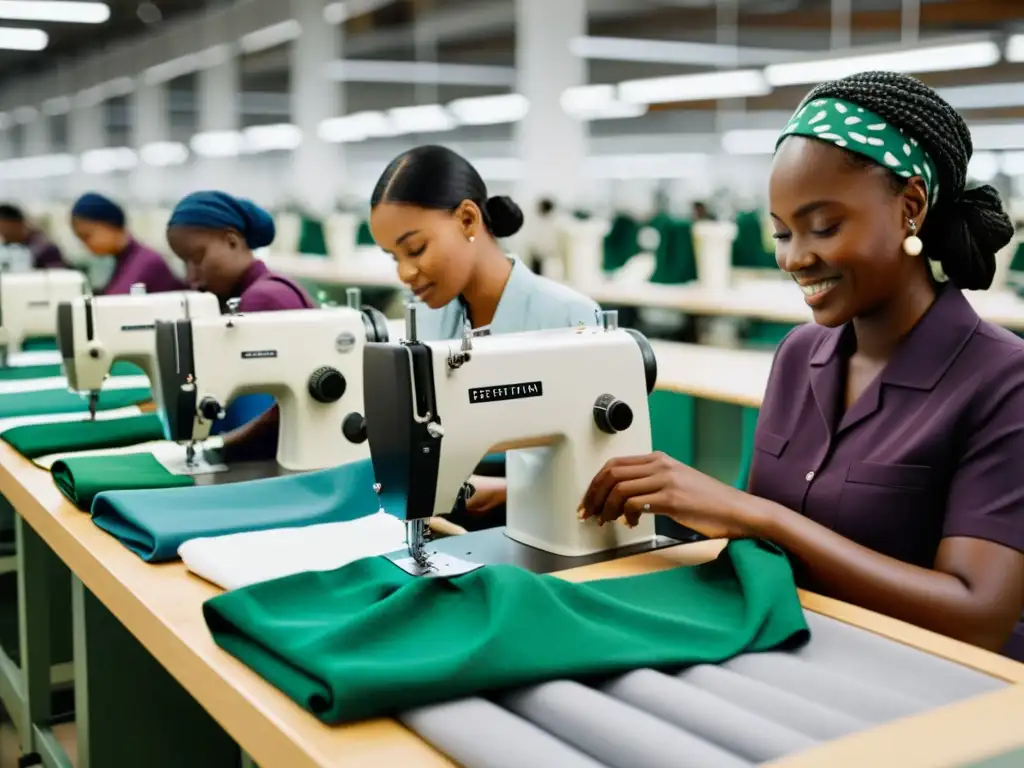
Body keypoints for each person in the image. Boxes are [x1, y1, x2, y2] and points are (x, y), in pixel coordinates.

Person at [580, 71, 1024, 662]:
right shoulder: (799, 354)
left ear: (910, 208)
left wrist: (761, 516)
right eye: (782, 232)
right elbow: (749, 536)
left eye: (824, 227)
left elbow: (977, 619)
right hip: (796, 652)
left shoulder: (1002, 381)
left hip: (939, 687)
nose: (794, 257)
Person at [370, 145, 600, 528]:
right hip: (463, 519)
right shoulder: (431, 316)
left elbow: (599, 469)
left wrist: (508, 491)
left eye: (415, 249)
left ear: (467, 219)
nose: (405, 273)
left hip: (555, 525)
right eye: (394, 257)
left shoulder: (570, 317)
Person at [166, 190, 316, 462]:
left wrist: (217, 449)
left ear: (232, 240)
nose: (191, 277)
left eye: (198, 258)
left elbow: (264, 418)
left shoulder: (262, 299)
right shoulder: (258, 291)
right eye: (184, 263)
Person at [71, 192, 185, 294]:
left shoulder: (149, 264)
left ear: (110, 224)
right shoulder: (120, 263)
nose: (84, 244)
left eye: (87, 236)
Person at [0, 203, 66, 269]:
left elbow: (56, 274)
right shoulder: (6, 247)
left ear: (17, 223)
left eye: (3, 226)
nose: (2, 231)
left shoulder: (43, 248)